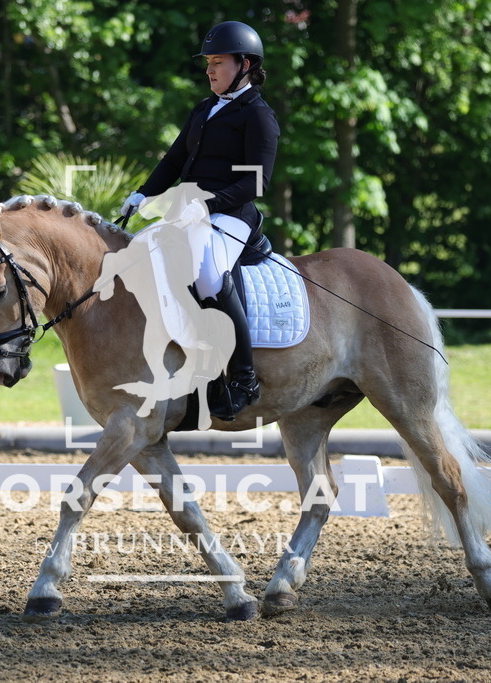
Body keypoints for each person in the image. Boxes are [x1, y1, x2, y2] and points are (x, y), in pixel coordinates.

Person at [120, 20, 280, 421]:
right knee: (142, 256)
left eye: (218, 62)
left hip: (232, 214)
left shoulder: (258, 115)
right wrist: (144, 193)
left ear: (245, 65)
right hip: (188, 212)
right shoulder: (205, 108)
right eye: (207, 62)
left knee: (208, 275)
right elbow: (175, 160)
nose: (210, 70)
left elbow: (255, 181)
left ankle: (243, 377)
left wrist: (208, 207)